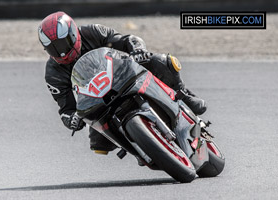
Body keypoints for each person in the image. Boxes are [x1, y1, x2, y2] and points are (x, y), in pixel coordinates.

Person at [38, 11, 207, 155]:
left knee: (162, 61)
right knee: (99, 145)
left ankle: (185, 95)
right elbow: (66, 109)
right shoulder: (53, 73)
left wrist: (138, 50)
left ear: (73, 33)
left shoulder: (93, 32)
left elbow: (127, 40)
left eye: (63, 43)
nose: (61, 51)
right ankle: (139, 148)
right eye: (53, 48)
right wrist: (72, 119)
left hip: (123, 74)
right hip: (98, 100)